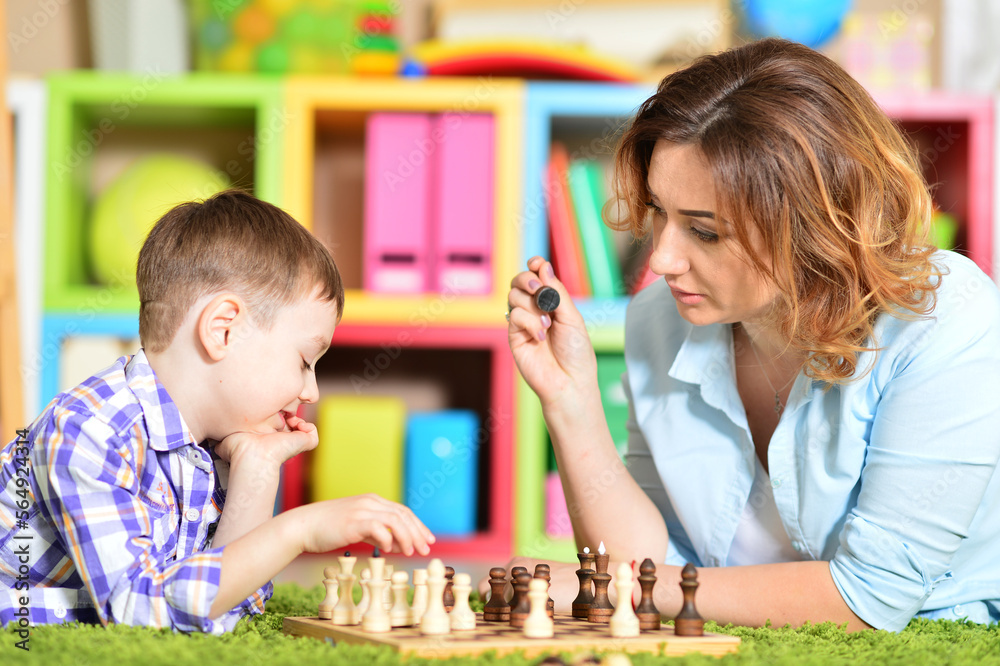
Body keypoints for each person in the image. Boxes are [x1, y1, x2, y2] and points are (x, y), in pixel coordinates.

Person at [502, 38, 1000, 632]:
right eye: (660, 211)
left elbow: (871, 599)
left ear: (814, 225)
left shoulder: (945, 318)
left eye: (705, 232)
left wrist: (622, 591)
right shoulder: (659, 318)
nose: (660, 259)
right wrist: (570, 401)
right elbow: (653, 561)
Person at [0, 190, 434, 632]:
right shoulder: (89, 432)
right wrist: (298, 529)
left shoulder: (216, 442)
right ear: (223, 330)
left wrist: (258, 470)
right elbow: (139, 615)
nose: (312, 391)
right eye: (305, 362)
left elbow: (225, 605)